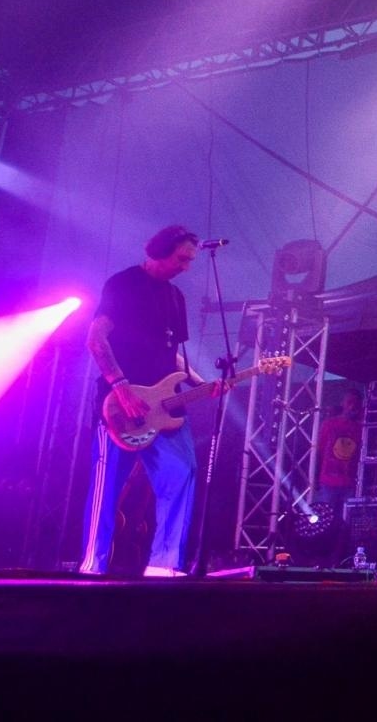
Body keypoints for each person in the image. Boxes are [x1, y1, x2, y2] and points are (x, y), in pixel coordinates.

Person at [79, 225, 218, 577]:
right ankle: (92, 567)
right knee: (107, 485)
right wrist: (121, 386)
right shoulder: (123, 284)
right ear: (161, 250)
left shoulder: (176, 299)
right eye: (182, 258)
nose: (186, 267)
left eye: (191, 261)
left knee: (182, 472)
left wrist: (203, 384)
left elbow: (172, 356)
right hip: (121, 405)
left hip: (166, 408)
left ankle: (164, 565)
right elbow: (96, 339)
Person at [314, 388, 362, 512]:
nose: (352, 407)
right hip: (328, 481)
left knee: (346, 520)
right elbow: (320, 451)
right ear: (343, 403)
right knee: (325, 518)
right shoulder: (329, 424)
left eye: (355, 404)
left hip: (349, 483)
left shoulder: (360, 428)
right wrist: (316, 478)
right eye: (349, 402)